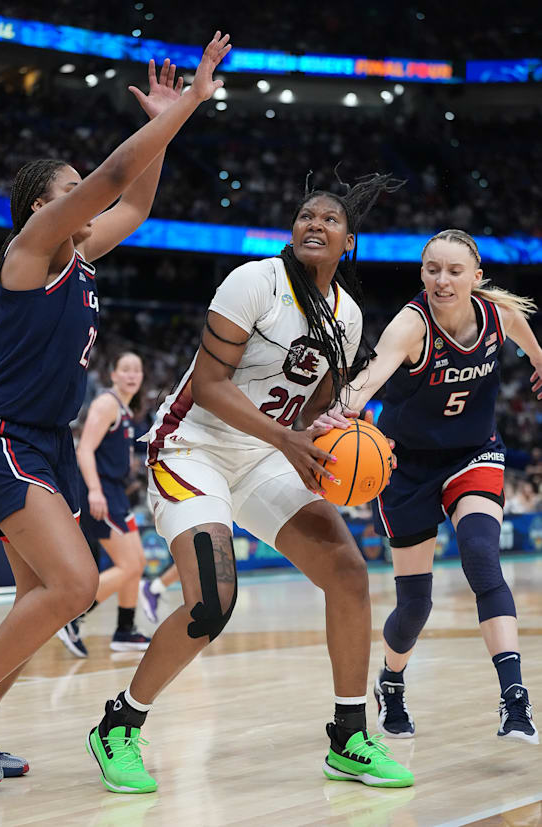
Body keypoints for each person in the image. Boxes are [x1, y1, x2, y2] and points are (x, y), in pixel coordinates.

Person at [0, 34, 232, 788]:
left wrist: (165, 122)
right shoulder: (30, 247)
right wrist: (187, 105)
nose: (87, 198)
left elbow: (138, 195)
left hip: (39, 441)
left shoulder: (83, 260)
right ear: (45, 204)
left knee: (41, 595)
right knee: (74, 583)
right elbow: (117, 174)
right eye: (72, 188)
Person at [86, 172, 415, 795]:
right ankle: (119, 725)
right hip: (192, 447)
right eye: (305, 215)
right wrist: (286, 440)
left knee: (348, 572)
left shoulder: (347, 316)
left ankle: (349, 736)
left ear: (349, 244)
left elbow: (318, 412)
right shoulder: (254, 281)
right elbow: (210, 387)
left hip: (265, 454)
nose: (315, 223)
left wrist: (360, 445)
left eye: (331, 219)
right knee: (212, 600)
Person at [316, 228, 541, 744]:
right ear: (422, 274)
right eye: (433, 270)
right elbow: (368, 381)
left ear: (476, 278)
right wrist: (333, 416)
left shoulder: (499, 316)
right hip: (406, 466)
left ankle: (514, 697)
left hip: (472, 453)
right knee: (416, 604)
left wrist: (540, 361)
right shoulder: (411, 324)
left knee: (482, 556)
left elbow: (530, 341)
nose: (442, 280)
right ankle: (391, 681)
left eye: (455, 271)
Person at [57, 351, 151, 656]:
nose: (132, 375)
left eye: (137, 370)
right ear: (113, 375)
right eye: (125, 369)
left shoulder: (124, 408)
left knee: (136, 564)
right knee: (128, 565)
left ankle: (125, 630)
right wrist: (95, 491)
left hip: (116, 492)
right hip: (101, 492)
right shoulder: (106, 403)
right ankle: (72, 617)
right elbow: (84, 450)